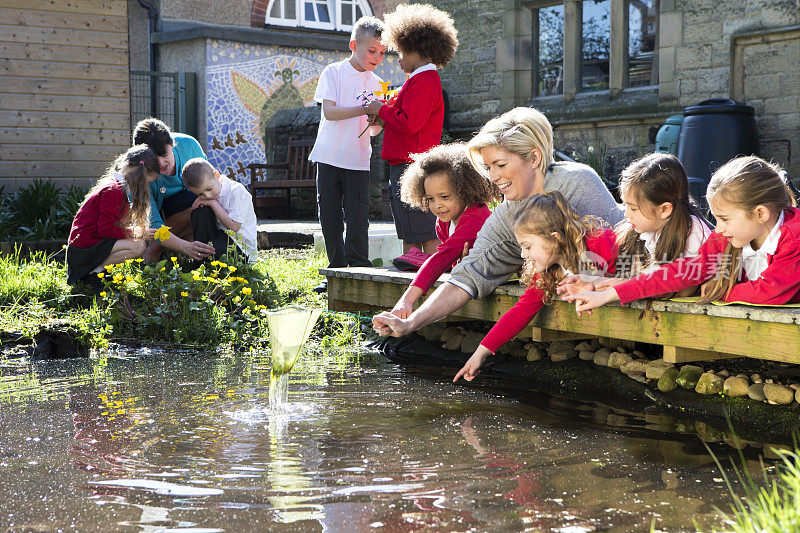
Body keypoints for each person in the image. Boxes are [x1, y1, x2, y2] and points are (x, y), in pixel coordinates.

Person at [372, 106, 624, 338]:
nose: (492, 177)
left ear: (534, 158)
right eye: (488, 167)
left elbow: (617, 253)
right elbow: (469, 274)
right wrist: (411, 322)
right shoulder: (506, 215)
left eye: (500, 165)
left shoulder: (576, 181)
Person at [564, 156, 800, 315]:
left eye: (725, 219)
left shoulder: (793, 237)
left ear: (760, 213)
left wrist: (718, 291)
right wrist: (608, 294)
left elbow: (770, 292)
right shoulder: (724, 239)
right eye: (716, 218)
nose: (717, 229)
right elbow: (677, 273)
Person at [453, 191, 618, 382]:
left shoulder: (600, 241)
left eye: (528, 246)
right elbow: (522, 310)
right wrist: (479, 354)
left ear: (554, 238)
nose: (523, 255)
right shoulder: (548, 270)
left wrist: (593, 284)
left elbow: (626, 275)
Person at [365, 3, 459, 255]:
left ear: (418, 50)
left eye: (402, 53)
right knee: (410, 228)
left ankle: (427, 278)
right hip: (407, 162)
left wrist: (381, 110)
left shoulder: (425, 80)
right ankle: (413, 274)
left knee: (423, 231)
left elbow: (410, 123)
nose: (400, 60)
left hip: (411, 165)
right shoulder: (419, 80)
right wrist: (384, 115)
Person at [557, 153, 711, 297]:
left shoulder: (693, 232)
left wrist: (623, 287)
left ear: (664, 209)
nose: (626, 214)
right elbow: (630, 279)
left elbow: (685, 288)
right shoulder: (641, 230)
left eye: (634, 208)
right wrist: (593, 282)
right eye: (626, 205)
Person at [308, 16, 386, 274]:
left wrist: (378, 119)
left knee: (358, 216)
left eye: (383, 52)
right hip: (329, 155)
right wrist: (365, 108)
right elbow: (330, 113)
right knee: (330, 215)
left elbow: (373, 131)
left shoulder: (377, 83)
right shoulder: (333, 72)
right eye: (372, 51)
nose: (377, 57)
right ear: (354, 45)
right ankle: (336, 267)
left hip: (359, 158)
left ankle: (360, 267)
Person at [390, 143, 502, 318]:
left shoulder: (475, 218)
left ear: (465, 190)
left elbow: (443, 257)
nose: (437, 205)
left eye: (444, 197)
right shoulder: (444, 221)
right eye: (430, 199)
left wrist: (406, 300)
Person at [66, 145, 158, 286]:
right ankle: (93, 273)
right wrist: (137, 233)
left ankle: (97, 271)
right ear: (139, 177)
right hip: (83, 250)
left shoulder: (115, 184)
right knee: (138, 246)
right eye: (147, 182)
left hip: (86, 244)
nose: (146, 187)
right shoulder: (114, 190)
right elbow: (105, 230)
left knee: (138, 243)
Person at [131, 118, 215, 262]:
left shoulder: (189, 146)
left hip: (194, 202)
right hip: (163, 213)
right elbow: (155, 225)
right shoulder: (139, 176)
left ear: (172, 144)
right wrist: (183, 246)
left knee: (203, 203)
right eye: (153, 159)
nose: (161, 163)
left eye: (165, 154)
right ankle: (154, 252)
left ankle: (197, 257)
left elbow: (212, 184)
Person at [182, 158, 258, 263]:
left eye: (209, 189)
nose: (207, 195)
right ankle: (201, 255)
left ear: (217, 175)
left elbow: (234, 227)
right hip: (219, 238)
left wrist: (213, 203)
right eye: (200, 194)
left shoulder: (236, 191)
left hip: (241, 248)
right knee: (199, 210)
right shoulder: (210, 194)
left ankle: (205, 258)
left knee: (214, 253)